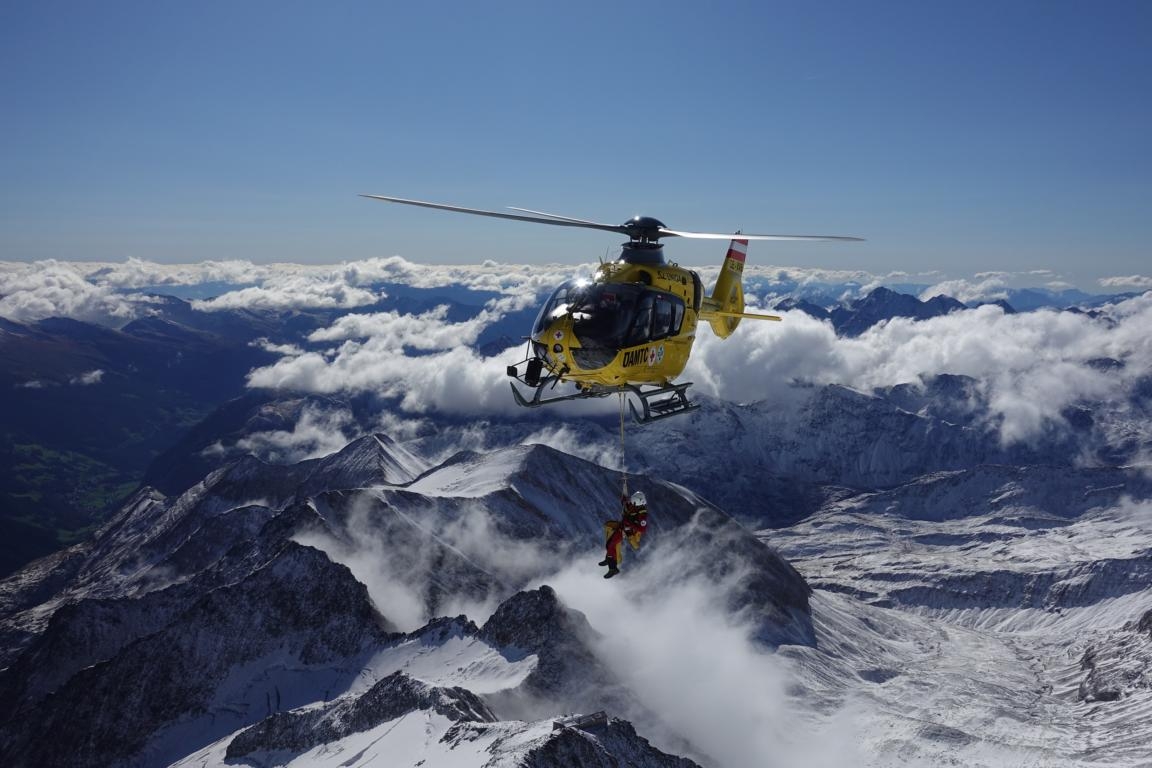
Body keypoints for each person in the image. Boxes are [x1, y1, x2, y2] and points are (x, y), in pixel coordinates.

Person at [599, 491, 649, 578]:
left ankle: (613, 568)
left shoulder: (642, 515)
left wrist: (629, 523)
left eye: (633, 502)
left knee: (611, 544)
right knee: (610, 542)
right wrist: (624, 499)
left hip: (628, 531)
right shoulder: (635, 507)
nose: (632, 503)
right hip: (624, 527)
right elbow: (626, 505)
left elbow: (642, 529)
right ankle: (609, 559)